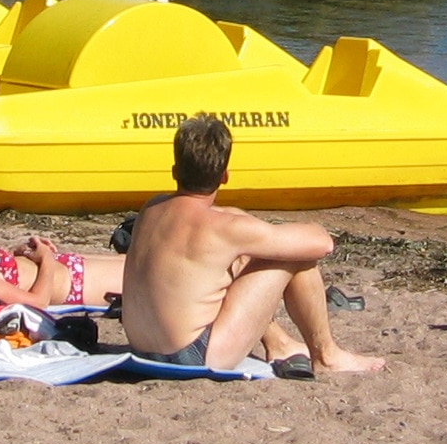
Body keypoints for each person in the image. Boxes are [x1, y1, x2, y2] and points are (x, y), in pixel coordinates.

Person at [120, 115, 384, 376]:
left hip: (142, 348)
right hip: (192, 355)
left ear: (175, 171)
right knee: (293, 256)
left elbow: (201, 220)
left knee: (235, 259)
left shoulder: (151, 209)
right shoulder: (226, 228)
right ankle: (327, 356)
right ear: (224, 176)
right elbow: (322, 244)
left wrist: (240, 220)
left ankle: (278, 342)